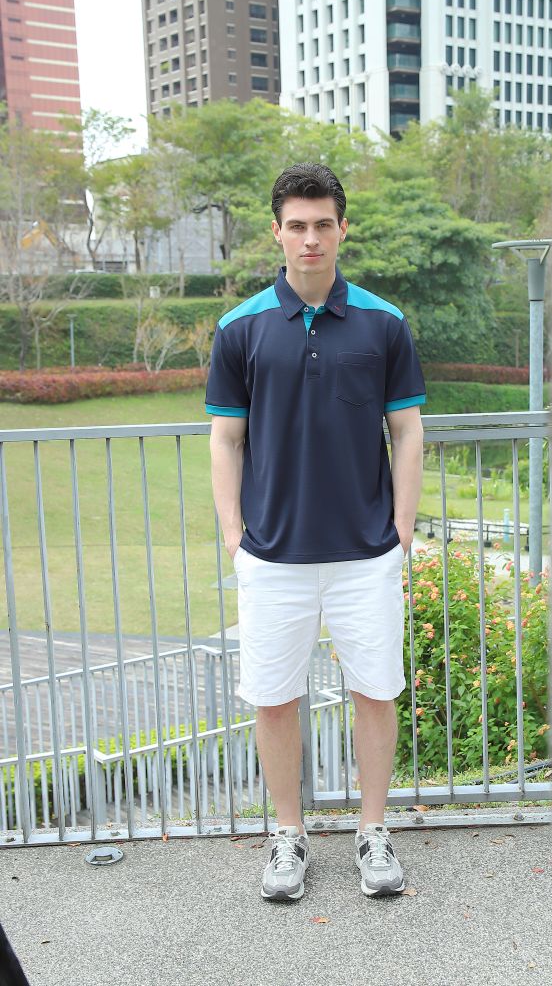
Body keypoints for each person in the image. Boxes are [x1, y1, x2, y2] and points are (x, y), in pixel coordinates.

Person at [206, 162, 426, 901]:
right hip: (273, 555)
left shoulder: (383, 322)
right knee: (273, 699)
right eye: (296, 225)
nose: (310, 238)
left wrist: (400, 527)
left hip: (366, 553)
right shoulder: (239, 328)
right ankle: (287, 836)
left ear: (342, 229)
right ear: (276, 231)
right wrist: (234, 533)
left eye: (322, 224)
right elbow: (225, 439)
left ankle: (373, 831)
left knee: (374, 692)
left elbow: (407, 430)